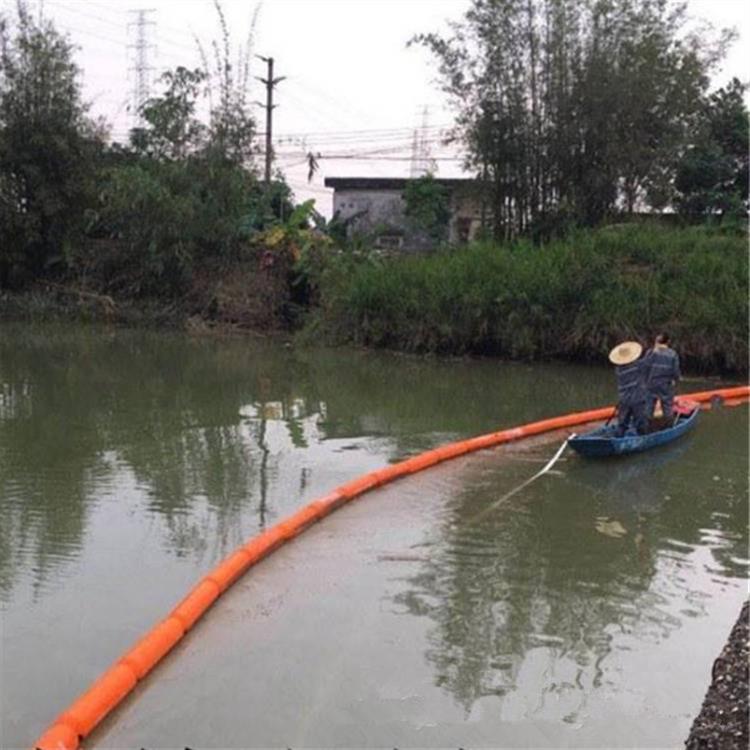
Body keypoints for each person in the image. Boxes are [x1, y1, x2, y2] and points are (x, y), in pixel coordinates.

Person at [608, 340, 649, 437]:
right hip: (637, 399)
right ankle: (641, 437)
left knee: (622, 422)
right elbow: (648, 361)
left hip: (623, 399)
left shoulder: (618, 370)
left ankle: (619, 436)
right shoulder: (637, 366)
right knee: (640, 422)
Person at [645, 332, 681, 419]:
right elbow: (675, 371)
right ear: (668, 341)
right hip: (665, 385)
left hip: (651, 384)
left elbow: (645, 368)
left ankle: (645, 427)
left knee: (648, 407)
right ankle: (669, 426)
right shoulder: (673, 354)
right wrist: (676, 379)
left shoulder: (650, 352)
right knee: (667, 407)